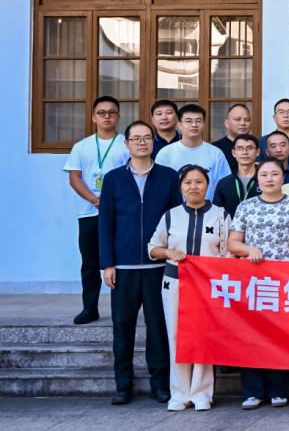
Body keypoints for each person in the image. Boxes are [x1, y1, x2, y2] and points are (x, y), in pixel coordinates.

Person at [99, 120, 180, 406]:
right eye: (136, 138)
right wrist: (107, 264)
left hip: (158, 267)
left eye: (147, 138)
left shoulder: (168, 177)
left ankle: (160, 384)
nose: (142, 143)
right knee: (123, 328)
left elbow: (176, 220)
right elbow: (105, 223)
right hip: (124, 268)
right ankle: (123, 385)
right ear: (127, 144)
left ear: (153, 143)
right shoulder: (113, 179)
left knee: (158, 328)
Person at [147, 164, 230, 411]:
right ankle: (179, 393)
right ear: (181, 187)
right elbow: (153, 247)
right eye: (188, 182)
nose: (193, 187)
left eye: (199, 182)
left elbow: (228, 253)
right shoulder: (170, 215)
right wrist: (168, 252)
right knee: (176, 336)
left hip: (208, 286)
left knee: (204, 336)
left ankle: (202, 393)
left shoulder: (221, 215)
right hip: (175, 282)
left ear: (207, 185)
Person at [228, 157, 289, 409]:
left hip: (284, 282)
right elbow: (233, 243)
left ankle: (280, 389)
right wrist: (248, 249)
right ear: (257, 178)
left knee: (281, 336)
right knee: (251, 335)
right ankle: (253, 391)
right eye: (264, 175)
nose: (269, 179)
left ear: (283, 177)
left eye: (274, 174)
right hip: (253, 284)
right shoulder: (246, 207)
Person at [64, 96, 131, 325]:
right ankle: (89, 308)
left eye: (112, 112)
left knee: (120, 261)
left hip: (119, 213)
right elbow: (74, 178)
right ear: (93, 117)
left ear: (118, 116)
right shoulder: (81, 146)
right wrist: (93, 199)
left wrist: (113, 201)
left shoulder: (125, 144)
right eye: (102, 112)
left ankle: (122, 309)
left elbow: (132, 176)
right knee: (90, 262)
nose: (107, 116)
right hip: (89, 212)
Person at [155, 103, 231, 191]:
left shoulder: (216, 153)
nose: (194, 125)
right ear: (179, 124)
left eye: (198, 121)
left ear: (204, 124)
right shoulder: (165, 153)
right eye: (189, 121)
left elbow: (225, 187)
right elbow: (159, 187)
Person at [211, 134, 261, 219]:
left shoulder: (265, 181)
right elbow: (216, 213)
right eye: (240, 148)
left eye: (249, 148)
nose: (245, 152)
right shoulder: (224, 183)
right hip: (230, 227)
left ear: (257, 152)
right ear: (234, 153)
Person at [212, 103, 251, 173]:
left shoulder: (256, 147)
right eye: (238, 119)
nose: (243, 123)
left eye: (247, 120)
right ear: (227, 123)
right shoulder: (215, 150)